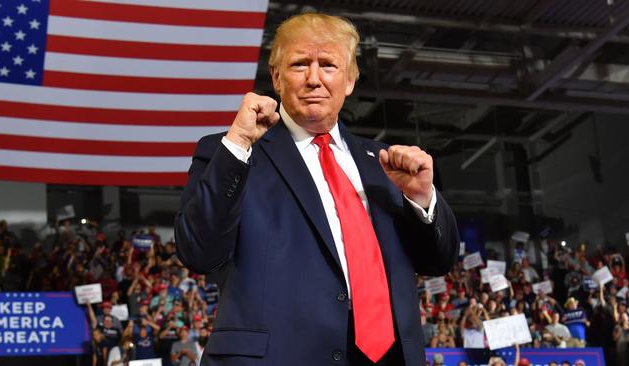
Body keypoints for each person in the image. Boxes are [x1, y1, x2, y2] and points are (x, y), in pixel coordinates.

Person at [175, 12, 459, 366]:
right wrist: (238, 143)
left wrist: (422, 199)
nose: (313, 79)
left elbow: (439, 261)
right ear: (276, 78)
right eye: (298, 64)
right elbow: (198, 251)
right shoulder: (234, 151)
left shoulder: (385, 163)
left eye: (328, 64)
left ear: (350, 80)